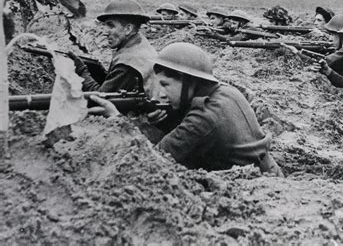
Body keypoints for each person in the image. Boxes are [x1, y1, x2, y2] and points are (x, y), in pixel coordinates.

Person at [91, 42, 283, 176]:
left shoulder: (204, 118)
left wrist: (118, 121)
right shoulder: (226, 92)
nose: (162, 94)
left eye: (166, 85)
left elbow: (150, 162)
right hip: (269, 173)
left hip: (255, 190)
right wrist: (165, 122)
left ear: (187, 80)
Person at [69, 0, 159, 98]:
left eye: (111, 26)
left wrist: (81, 70)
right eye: (105, 25)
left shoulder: (128, 62)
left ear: (128, 29)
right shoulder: (139, 44)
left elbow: (101, 98)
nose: (105, 32)